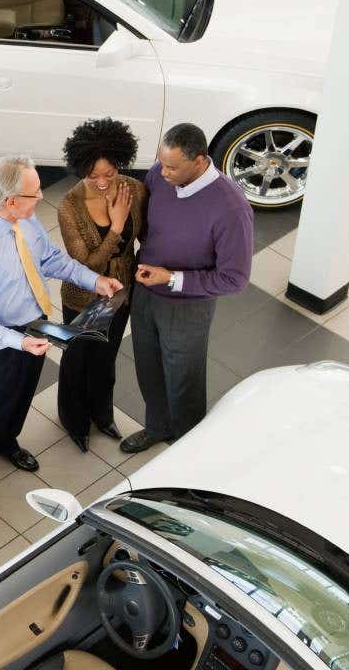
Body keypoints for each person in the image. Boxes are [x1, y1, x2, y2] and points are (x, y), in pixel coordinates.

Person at [0, 155, 123, 516]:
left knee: (21, 395)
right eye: (35, 193)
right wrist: (19, 341)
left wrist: (95, 280)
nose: (42, 197)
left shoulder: (24, 223)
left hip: (33, 326)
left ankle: (6, 441)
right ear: (10, 201)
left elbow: (49, 260)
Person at [119, 123, 253, 454]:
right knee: (148, 367)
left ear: (199, 161)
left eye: (172, 166)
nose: (161, 172)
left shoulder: (231, 208)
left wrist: (172, 278)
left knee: (184, 380)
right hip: (146, 294)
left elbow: (234, 278)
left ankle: (187, 448)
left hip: (188, 305)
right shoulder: (159, 176)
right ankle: (157, 427)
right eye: (161, 163)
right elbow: (150, 225)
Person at [56, 118, 147, 453]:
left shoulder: (134, 190)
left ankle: (102, 414)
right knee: (77, 360)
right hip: (84, 297)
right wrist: (116, 226)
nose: (103, 182)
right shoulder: (70, 206)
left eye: (110, 173)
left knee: (105, 358)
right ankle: (74, 421)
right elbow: (87, 264)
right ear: (81, 170)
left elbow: (145, 236)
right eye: (93, 176)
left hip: (120, 293)